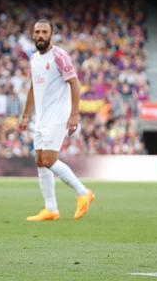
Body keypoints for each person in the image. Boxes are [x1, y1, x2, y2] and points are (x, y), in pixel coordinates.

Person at [18, 20, 95, 221]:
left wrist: (75, 114)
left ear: (51, 35)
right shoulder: (34, 58)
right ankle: (51, 209)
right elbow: (33, 88)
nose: (41, 35)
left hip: (58, 115)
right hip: (41, 118)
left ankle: (83, 192)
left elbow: (75, 83)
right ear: (33, 35)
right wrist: (26, 115)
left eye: (44, 31)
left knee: (49, 160)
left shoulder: (59, 55)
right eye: (37, 32)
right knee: (40, 162)